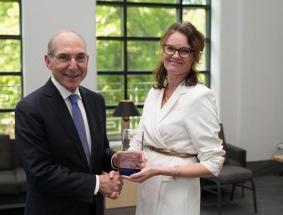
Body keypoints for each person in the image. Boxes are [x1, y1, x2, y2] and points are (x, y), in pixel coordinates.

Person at [15, 29, 123, 215]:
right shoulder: (30, 108)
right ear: (48, 61)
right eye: (64, 57)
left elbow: (96, 152)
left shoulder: (96, 101)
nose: (73, 66)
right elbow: (40, 172)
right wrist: (97, 183)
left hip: (92, 209)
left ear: (87, 61)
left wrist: (114, 159)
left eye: (80, 57)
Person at [121, 22, 226, 215]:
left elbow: (213, 164)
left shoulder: (200, 96)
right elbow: (140, 139)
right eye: (170, 48)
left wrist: (160, 170)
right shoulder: (154, 92)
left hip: (178, 191)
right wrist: (123, 161)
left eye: (184, 50)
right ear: (163, 50)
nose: (175, 55)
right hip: (148, 183)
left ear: (195, 56)